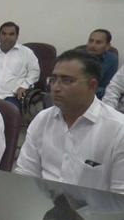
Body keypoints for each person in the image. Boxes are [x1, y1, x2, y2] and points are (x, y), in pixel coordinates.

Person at [15, 49, 124, 193]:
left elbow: (120, 196)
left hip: (92, 212)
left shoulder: (118, 130)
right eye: (53, 80)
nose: (56, 88)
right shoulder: (42, 119)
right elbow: (25, 174)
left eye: (67, 80)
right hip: (41, 207)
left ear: (92, 86)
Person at [0, 21, 40, 111]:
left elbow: (34, 71)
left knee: (10, 115)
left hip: (11, 96)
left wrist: (25, 86)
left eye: (11, 34)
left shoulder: (26, 52)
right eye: (4, 34)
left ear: (17, 36)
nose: (7, 37)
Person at [84, 28, 118, 99]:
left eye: (98, 42)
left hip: (96, 96)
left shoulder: (111, 59)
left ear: (107, 46)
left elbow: (108, 87)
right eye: (91, 41)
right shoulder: (76, 55)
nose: (93, 45)